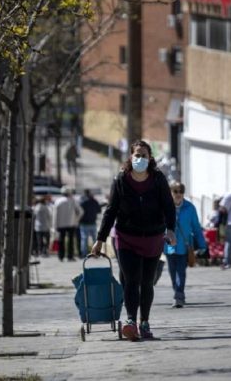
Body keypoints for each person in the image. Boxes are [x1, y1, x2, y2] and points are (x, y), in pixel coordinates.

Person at [92, 140, 176, 341]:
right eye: (136, 155)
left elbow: (169, 206)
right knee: (131, 280)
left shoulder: (158, 180)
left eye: (144, 155)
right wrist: (100, 239)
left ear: (150, 158)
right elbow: (111, 211)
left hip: (153, 238)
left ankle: (144, 322)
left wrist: (171, 230)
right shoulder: (121, 180)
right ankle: (130, 321)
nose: (140, 159)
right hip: (126, 237)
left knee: (147, 282)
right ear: (130, 157)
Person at [164, 181, 207, 308]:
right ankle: (177, 291)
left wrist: (202, 244)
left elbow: (196, 227)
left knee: (181, 271)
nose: (178, 194)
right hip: (169, 245)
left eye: (181, 191)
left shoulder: (190, 207)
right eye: (175, 191)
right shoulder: (165, 207)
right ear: (171, 192)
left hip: (184, 245)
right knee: (172, 271)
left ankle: (179, 296)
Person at [54, 187, 83, 262]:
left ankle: (61, 256)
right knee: (71, 240)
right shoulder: (73, 201)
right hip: (71, 223)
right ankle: (70, 256)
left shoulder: (58, 201)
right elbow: (81, 212)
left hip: (60, 224)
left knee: (61, 240)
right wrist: (76, 220)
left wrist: (55, 225)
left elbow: (55, 215)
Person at [78, 189, 101, 259]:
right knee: (95, 239)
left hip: (84, 223)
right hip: (93, 222)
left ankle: (84, 254)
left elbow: (79, 212)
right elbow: (99, 210)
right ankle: (95, 253)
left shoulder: (82, 202)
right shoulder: (94, 201)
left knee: (84, 239)